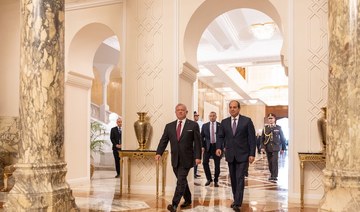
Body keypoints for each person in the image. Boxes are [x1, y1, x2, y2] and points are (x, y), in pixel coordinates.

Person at [155, 104, 202, 212]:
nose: (180, 112)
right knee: (182, 180)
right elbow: (163, 141)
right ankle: (188, 199)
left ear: (186, 112)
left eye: (182, 110)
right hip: (175, 159)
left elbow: (198, 143)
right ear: (175, 112)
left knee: (180, 181)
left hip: (187, 158)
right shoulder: (169, 126)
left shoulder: (193, 125)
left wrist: (198, 157)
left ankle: (174, 204)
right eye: (178, 110)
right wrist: (159, 153)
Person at [216, 100, 256, 212]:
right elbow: (220, 136)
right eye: (230, 107)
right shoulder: (224, 122)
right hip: (230, 155)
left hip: (243, 155)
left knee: (239, 178)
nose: (232, 109)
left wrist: (252, 154)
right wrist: (219, 147)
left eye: (234, 107)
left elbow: (252, 139)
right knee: (233, 178)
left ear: (239, 109)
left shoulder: (247, 121)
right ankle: (236, 199)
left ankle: (238, 203)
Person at [260, 113, 286, 181]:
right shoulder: (265, 128)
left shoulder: (278, 127)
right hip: (268, 147)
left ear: (274, 119)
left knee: (274, 161)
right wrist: (262, 147)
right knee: (270, 162)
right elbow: (262, 139)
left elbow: (283, 138)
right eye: (269, 118)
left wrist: (283, 148)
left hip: (276, 147)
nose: (270, 119)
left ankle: (274, 176)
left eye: (272, 118)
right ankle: (272, 174)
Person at [201, 111, 221, 187]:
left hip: (217, 147)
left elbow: (223, 137)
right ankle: (209, 179)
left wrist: (222, 147)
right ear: (209, 117)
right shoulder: (205, 126)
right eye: (211, 116)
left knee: (217, 164)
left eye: (213, 116)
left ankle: (216, 180)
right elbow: (201, 137)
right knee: (205, 163)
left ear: (216, 117)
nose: (212, 117)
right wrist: (202, 146)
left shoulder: (220, 125)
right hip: (207, 147)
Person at [193, 111, 202, 178]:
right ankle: (193, 173)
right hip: (192, 146)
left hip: (196, 145)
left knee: (196, 159)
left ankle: (195, 173)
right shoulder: (192, 124)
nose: (197, 117)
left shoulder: (196, 124)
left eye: (198, 115)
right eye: (196, 116)